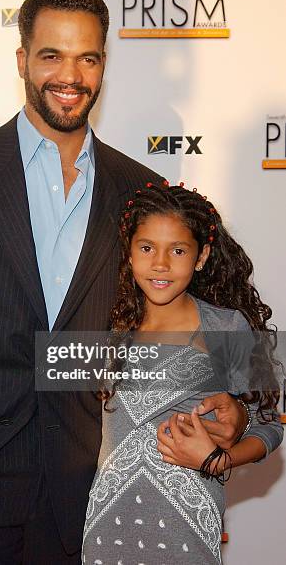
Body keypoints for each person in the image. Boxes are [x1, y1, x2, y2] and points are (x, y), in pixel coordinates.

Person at [0, 0, 247, 564]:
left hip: (89, 485)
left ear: (102, 67)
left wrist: (239, 404)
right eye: (51, 55)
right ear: (22, 60)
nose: (69, 75)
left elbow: (188, 314)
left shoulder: (140, 190)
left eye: (87, 58)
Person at [82, 183, 283, 565]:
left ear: (202, 256)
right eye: (146, 248)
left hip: (187, 527)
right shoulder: (109, 326)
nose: (161, 263)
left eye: (177, 250)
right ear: (129, 253)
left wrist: (219, 460)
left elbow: (269, 425)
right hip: (107, 527)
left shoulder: (226, 328)